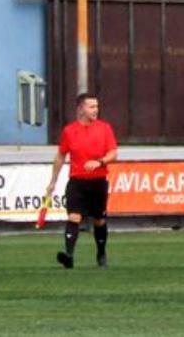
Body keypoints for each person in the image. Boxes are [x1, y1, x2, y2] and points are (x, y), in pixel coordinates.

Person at [46, 92, 118, 269]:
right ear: (81, 109)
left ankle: (101, 253)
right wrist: (53, 181)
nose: (95, 110)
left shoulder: (104, 128)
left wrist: (99, 162)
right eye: (91, 106)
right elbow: (61, 156)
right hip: (77, 181)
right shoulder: (69, 131)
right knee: (74, 217)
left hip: (98, 181)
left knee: (99, 220)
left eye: (97, 107)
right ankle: (68, 255)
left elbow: (113, 153)